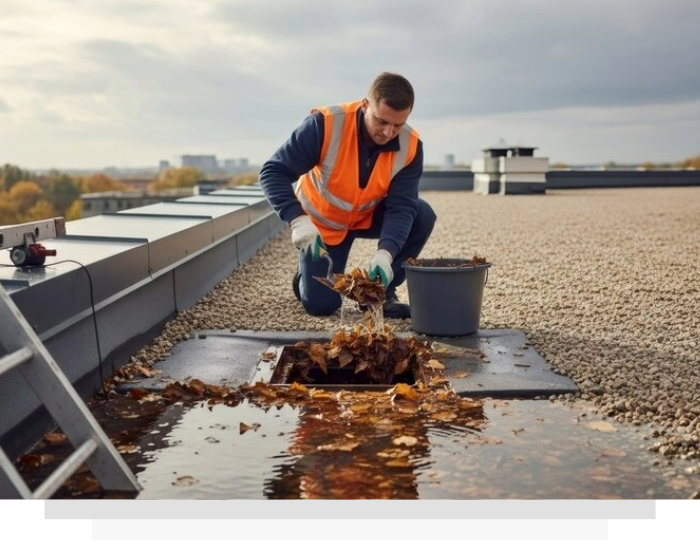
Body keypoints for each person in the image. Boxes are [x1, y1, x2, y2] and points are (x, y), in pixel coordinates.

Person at [259, 72, 436, 319]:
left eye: (398, 124)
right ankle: (304, 277)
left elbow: (401, 207)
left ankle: (381, 293)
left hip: (366, 215)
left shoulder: (411, 146)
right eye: (382, 121)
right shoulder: (325, 125)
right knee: (322, 306)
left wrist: (386, 253)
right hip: (322, 225)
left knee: (422, 214)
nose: (388, 132)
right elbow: (272, 172)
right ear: (366, 106)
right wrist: (298, 220)